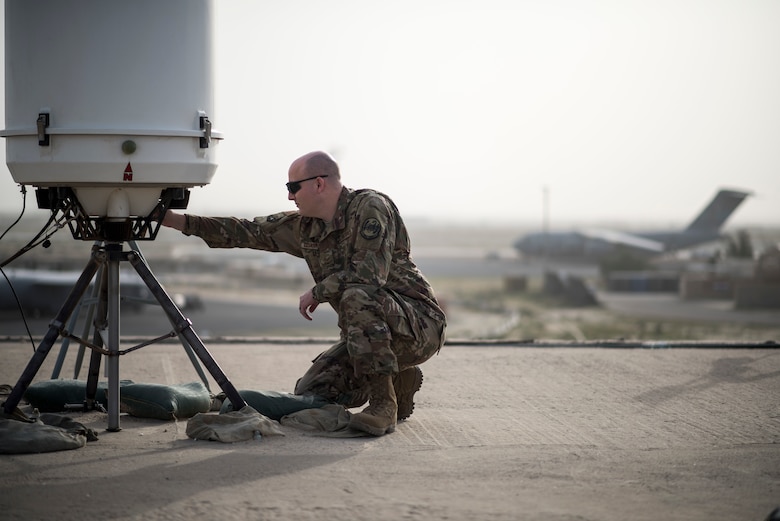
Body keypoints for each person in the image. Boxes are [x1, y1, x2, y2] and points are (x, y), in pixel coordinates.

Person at [161, 151, 446, 436]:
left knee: (357, 295)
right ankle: (397, 380)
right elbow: (244, 231)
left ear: (319, 183)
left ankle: (384, 406)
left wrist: (318, 292)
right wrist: (174, 220)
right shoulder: (306, 227)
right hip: (376, 336)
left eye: (293, 187)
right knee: (314, 390)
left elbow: (370, 276)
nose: (290, 197)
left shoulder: (370, 207)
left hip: (419, 326)